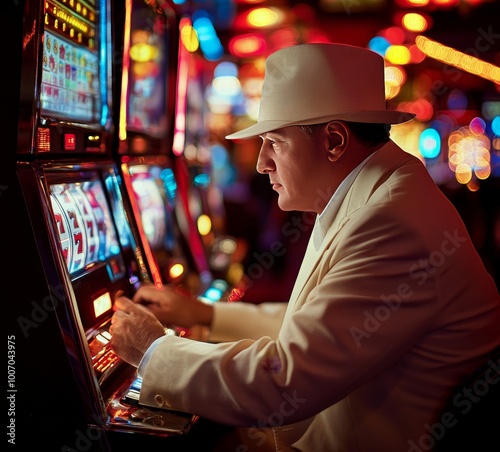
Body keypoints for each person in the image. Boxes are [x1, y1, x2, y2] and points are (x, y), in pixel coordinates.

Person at [110, 43, 500, 451]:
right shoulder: (377, 192)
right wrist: (204, 313)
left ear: (333, 140)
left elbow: (284, 384)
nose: (262, 162)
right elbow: (316, 322)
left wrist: (154, 351)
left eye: (274, 142)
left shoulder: (391, 222)